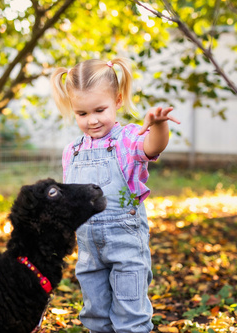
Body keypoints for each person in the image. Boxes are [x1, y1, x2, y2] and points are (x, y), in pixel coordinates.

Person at [50, 58, 180, 333]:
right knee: (95, 315)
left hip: (125, 247)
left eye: (100, 109)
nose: (92, 120)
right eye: (82, 113)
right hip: (88, 252)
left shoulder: (128, 139)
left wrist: (157, 126)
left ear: (118, 100)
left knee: (130, 314)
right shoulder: (71, 151)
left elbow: (152, 146)